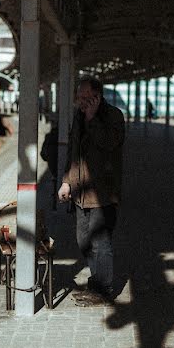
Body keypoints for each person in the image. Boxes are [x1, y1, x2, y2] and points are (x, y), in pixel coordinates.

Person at [58, 76, 126, 305]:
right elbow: (73, 154)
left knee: (101, 242)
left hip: (103, 193)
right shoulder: (78, 117)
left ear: (98, 96)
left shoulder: (113, 116)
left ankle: (103, 289)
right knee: (82, 240)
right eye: (80, 97)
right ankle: (96, 280)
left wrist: (92, 118)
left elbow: (109, 144)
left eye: (86, 98)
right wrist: (66, 181)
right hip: (80, 193)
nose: (82, 102)